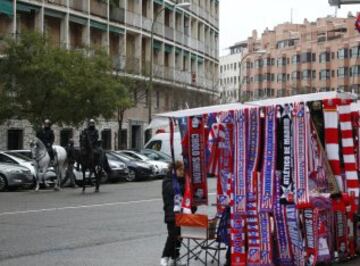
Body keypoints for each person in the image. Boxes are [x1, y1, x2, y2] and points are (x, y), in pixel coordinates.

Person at [160, 160, 186, 266]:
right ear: (173, 170)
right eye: (180, 170)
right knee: (172, 235)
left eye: (183, 170)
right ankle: (164, 257)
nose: (182, 172)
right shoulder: (167, 181)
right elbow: (175, 191)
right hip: (171, 213)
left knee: (180, 236)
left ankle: (175, 256)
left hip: (183, 213)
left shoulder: (183, 180)